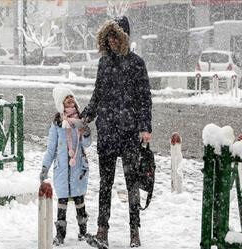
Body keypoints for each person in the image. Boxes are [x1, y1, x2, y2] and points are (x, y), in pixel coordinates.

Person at [80, 16, 152, 248]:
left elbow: (144, 99)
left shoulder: (137, 63)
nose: (111, 41)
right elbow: (97, 94)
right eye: (108, 36)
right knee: (105, 183)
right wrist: (86, 116)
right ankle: (102, 230)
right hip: (108, 132)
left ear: (124, 38)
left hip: (129, 132)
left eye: (115, 36)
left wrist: (145, 127)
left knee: (132, 183)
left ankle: (134, 231)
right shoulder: (104, 64)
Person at [40, 86, 91, 246]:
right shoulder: (56, 124)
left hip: (78, 168)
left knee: (79, 199)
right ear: (60, 103)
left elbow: (87, 144)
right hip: (62, 169)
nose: (70, 100)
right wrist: (45, 167)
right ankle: (60, 234)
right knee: (62, 202)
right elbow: (51, 149)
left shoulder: (80, 120)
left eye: (71, 97)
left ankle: (83, 232)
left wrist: (86, 131)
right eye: (66, 98)